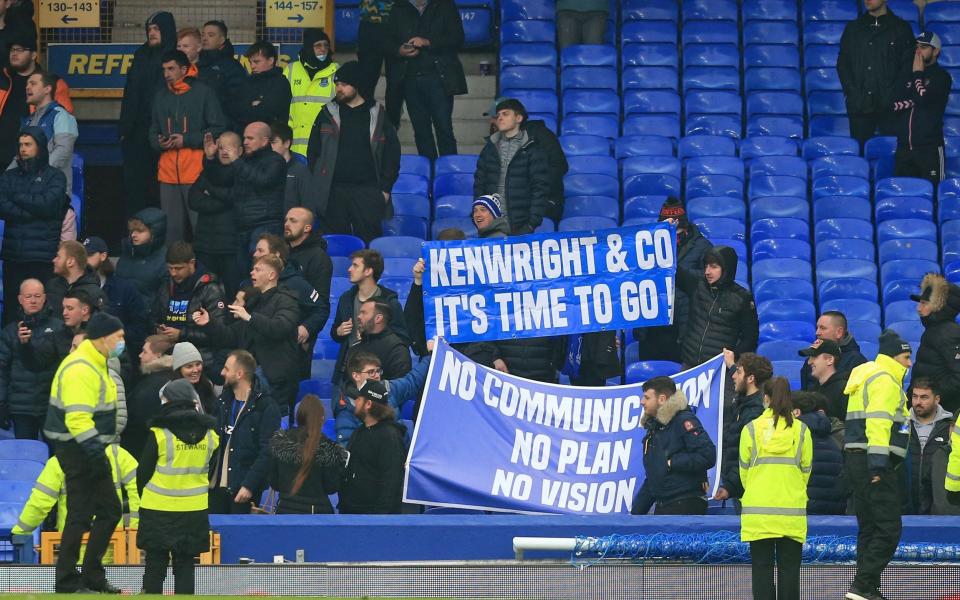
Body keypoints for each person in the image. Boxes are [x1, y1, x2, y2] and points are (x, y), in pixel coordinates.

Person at [42, 312, 125, 593]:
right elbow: (78, 419)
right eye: (118, 337)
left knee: (105, 511)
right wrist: (96, 454)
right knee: (82, 513)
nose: (122, 342)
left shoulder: (95, 362)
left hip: (84, 446)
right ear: (103, 338)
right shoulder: (82, 368)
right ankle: (69, 580)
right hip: (78, 447)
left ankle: (88, 576)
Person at [843, 329, 912, 600]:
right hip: (875, 463)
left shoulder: (866, 376)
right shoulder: (885, 380)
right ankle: (862, 586)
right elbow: (879, 423)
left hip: (857, 459)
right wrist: (879, 465)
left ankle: (868, 589)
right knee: (889, 529)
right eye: (906, 357)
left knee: (870, 528)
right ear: (894, 356)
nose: (909, 363)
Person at [137, 378, 218, 595]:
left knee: (155, 564)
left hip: (157, 509)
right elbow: (211, 470)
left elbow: (143, 473)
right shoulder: (211, 435)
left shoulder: (159, 434)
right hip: (194, 510)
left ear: (169, 401)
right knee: (185, 564)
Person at [305, 61, 401, 244]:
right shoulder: (327, 112)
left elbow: (392, 155)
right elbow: (313, 152)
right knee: (334, 245)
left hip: (368, 192)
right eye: (337, 84)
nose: (338, 89)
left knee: (368, 246)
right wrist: (319, 183)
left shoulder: (378, 114)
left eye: (343, 84)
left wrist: (385, 190)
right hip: (332, 192)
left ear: (357, 85)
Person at [196, 255, 301, 415]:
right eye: (253, 269)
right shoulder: (256, 302)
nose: (252, 273)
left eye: (258, 270)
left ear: (272, 275)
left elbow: (280, 327)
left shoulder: (287, 300)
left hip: (273, 379)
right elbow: (231, 336)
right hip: (250, 376)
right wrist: (209, 323)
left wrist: (251, 317)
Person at [740, 377, 812, 600]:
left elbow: (744, 473)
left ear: (766, 398)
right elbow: (805, 472)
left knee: (761, 572)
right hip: (791, 515)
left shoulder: (750, 429)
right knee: (789, 573)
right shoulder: (801, 431)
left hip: (758, 516)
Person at [149, 49, 226, 243]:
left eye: (171, 68)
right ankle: (173, 271)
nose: (166, 73)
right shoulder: (160, 96)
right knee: (171, 232)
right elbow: (152, 130)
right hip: (167, 172)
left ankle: (204, 271)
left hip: (195, 170)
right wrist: (158, 142)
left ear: (184, 69)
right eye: (164, 69)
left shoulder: (204, 92)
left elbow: (218, 128)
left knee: (199, 227)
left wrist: (187, 140)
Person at [12, 442, 139, 556]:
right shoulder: (117, 454)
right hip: (111, 545)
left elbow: (39, 503)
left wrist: (20, 532)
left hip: (73, 545)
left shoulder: (59, 460)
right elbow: (139, 489)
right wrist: (134, 529)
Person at [202, 121, 286, 280]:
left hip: (265, 225)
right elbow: (220, 179)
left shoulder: (275, 161)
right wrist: (210, 158)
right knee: (243, 275)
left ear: (264, 140)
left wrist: (237, 161)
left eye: (250, 138)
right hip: (242, 226)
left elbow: (262, 180)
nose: (245, 142)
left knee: (261, 272)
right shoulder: (244, 161)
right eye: (244, 138)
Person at [0, 126, 68, 323]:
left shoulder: (56, 177)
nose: (23, 149)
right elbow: (2, 205)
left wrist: (17, 198)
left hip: (43, 258)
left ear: (40, 147)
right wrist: (34, 210)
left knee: (45, 313)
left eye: (28, 144)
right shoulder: (8, 176)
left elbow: (49, 205)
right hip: (14, 257)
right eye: (20, 145)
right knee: (13, 313)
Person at [635, 198, 713, 363]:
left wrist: (675, 271)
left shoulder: (702, 246)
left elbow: (706, 279)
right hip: (652, 326)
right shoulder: (647, 245)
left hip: (684, 327)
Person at [388, 0, 466, 160]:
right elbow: (386, 41)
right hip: (409, 78)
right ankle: (428, 173)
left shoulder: (445, 5)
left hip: (439, 78)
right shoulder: (398, 8)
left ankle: (448, 172)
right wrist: (399, 50)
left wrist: (427, 42)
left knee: (444, 128)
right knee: (421, 131)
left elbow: (457, 38)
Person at [631, 376, 716, 515]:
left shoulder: (683, 420)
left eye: (646, 398)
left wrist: (671, 462)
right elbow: (654, 476)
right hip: (665, 505)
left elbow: (708, 455)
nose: (642, 402)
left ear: (662, 399)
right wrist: (634, 515)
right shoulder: (655, 429)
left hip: (685, 504)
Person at [119, 11, 176, 217]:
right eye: (149, 29)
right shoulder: (140, 55)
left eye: (156, 29)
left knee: (158, 190)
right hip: (136, 134)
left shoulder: (174, 57)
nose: (152, 33)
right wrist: (124, 130)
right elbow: (130, 93)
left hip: (162, 134)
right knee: (135, 189)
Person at [209, 350, 281, 514]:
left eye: (227, 369)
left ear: (239, 373)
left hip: (243, 491)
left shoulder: (266, 407)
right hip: (215, 488)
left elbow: (268, 451)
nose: (222, 372)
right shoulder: (222, 402)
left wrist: (249, 485)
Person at [837, 0, 915, 148]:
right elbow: (843, 65)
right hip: (860, 106)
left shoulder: (901, 29)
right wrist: (854, 95)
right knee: (860, 154)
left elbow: (907, 68)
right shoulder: (853, 29)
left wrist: (893, 97)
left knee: (892, 155)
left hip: (892, 108)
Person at [330, 249, 409, 386]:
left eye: (355, 265)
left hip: (377, 373)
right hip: (348, 371)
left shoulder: (389, 302)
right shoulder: (346, 299)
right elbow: (335, 333)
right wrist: (338, 331)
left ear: (368, 271)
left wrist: (372, 340)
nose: (349, 269)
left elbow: (402, 338)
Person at [473, 98, 550, 235]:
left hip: (520, 226)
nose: (500, 118)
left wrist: (531, 224)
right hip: (491, 225)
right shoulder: (489, 148)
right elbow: (479, 183)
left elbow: (540, 188)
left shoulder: (533, 149)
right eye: (498, 115)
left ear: (519, 118)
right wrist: (480, 213)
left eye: (505, 114)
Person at [677, 246, 758, 369]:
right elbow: (673, 270)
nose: (707, 272)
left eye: (714, 267)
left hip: (720, 369)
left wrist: (733, 356)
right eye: (706, 266)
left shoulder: (742, 298)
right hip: (690, 366)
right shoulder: (697, 285)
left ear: (726, 269)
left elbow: (750, 338)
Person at [0, 279, 62, 440]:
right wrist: (1, 404)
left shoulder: (58, 328)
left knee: (55, 458)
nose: (33, 300)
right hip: (21, 408)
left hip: (51, 405)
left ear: (44, 298)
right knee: (26, 455)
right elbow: (2, 371)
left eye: (37, 296)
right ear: (20, 299)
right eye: (28, 296)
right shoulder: (9, 332)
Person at [154, 241, 227, 374]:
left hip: (201, 362)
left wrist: (181, 334)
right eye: (170, 268)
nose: (173, 273)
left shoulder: (210, 289)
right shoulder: (166, 286)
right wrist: (158, 328)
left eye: (178, 268)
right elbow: (153, 317)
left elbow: (219, 334)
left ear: (191, 263)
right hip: (169, 357)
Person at [269, 394, 348, 513]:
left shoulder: (280, 443)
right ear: (322, 418)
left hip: (285, 511)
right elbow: (331, 487)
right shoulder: (329, 448)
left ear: (299, 416)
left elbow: (274, 483)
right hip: (317, 514)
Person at [891, 32, 952, 185]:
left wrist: (918, 74)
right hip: (904, 149)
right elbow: (893, 105)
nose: (918, 51)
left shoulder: (942, 77)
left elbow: (923, 99)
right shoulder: (906, 75)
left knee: (933, 197)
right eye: (916, 47)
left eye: (923, 47)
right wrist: (916, 99)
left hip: (929, 150)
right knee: (902, 197)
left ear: (936, 51)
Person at [334, 349, 429, 446]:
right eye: (371, 372)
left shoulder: (388, 389)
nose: (377, 376)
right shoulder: (347, 408)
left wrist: (431, 355)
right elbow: (347, 449)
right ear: (356, 376)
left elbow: (412, 381)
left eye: (378, 371)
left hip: (400, 454)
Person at [338, 379, 406, 514]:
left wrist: (379, 520)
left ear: (368, 404)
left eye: (358, 399)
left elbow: (391, 482)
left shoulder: (390, 437)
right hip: (352, 514)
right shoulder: (359, 431)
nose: (355, 402)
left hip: (374, 521)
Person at [714, 351, 772, 505]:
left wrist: (730, 487)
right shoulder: (744, 403)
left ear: (751, 378)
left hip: (746, 490)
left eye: (738, 372)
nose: (733, 376)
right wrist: (731, 365)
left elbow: (745, 455)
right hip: (740, 487)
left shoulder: (754, 413)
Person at [187, 130, 240, 292]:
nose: (224, 152)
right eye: (221, 148)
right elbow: (193, 200)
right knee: (204, 294)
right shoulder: (208, 171)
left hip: (231, 247)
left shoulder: (243, 173)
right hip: (204, 245)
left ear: (240, 151)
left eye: (229, 148)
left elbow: (236, 198)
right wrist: (223, 201)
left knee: (233, 294)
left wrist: (210, 190)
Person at [84, 236, 148, 363]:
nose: (84, 261)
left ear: (103, 256)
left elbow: (140, 326)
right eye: (82, 256)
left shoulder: (124, 288)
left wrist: (115, 336)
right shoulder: (77, 289)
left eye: (89, 255)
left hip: (119, 356)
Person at [16, 72, 77, 196]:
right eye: (27, 84)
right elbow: (18, 157)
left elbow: (63, 151)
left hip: (53, 194)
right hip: (29, 192)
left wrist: (36, 175)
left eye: (33, 83)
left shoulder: (62, 116)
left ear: (47, 89)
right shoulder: (28, 120)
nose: (27, 87)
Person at [911, 273, 960, 414]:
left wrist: (931, 398)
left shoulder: (948, 333)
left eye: (924, 303)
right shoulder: (934, 331)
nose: (918, 308)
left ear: (939, 306)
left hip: (942, 413)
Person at [792, 391, 846, 515]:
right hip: (835, 513)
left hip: (803, 511)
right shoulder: (832, 441)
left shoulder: (795, 441)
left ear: (796, 412)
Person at [286, 28, 338, 156]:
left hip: (323, 147)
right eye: (318, 45)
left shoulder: (336, 71)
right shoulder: (291, 70)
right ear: (309, 47)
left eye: (326, 45)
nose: (323, 49)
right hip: (292, 147)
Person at [906, 377, 954, 515]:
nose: (918, 402)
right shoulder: (901, 425)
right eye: (915, 397)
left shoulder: (949, 427)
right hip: (906, 502)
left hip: (938, 503)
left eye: (924, 397)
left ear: (936, 399)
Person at [339, 299, 411, 386]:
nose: (358, 316)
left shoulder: (397, 350)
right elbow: (347, 383)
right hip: (352, 399)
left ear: (378, 318)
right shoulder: (355, 348)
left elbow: (400, 387)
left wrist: (372, 395)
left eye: (364, 313)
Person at [124, 335, 173, 458]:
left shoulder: (151, 385)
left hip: (141, 448)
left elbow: (137, 418)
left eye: (145, 352)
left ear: (158, 356)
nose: (140, 355)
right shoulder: (169, 377)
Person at [115, 208, 168, 323]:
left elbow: (165, 299)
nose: (133, 235)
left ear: (154, 232)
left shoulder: (165, 260)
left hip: (148, 322)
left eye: (140, 231)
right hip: (120, 318)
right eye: (132, 231)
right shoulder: (126, 254)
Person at [358, 0, 401, 127]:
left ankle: (392, 127)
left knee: (396, 82)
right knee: (366, 79)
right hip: (370, 23)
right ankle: (364, 123)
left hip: (398, 23)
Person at [196, 20, 246, 131]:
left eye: (211, 35)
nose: (204, 38)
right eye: (203, 35)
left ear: (222, 40)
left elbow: (238, 102)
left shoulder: (232, 67)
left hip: (223, 129)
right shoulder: (195, 64)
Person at [800, 311, 867, 391]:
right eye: (817, 328)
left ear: (839, 332)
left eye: (823, 328)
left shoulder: (856, 361)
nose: (817, 333)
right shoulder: (811, 357)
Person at [234, 41, 291, 131]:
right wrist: (255, 106)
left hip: (272, 138)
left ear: (271, 61)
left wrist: (251, 107)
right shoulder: (247, 82)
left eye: (256, 62)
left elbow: (268, 111)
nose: (252, 66)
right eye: (250, 62)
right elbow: (237, 110)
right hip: (248, 137)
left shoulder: (280, 82)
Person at [284, 206, 333, 301]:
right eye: (286, 220)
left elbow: (320, 302)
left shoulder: (319, 257)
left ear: (307, 228)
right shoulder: (280, 252)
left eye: (293, 221)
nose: (286, 224)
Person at [46, 240, 105, 317]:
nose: (54, 260)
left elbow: (100, 324)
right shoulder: (51, 286)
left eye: (58, 257)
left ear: (70, 262)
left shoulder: (94, 293)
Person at [799, 339, 850, 425]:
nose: (809, 362)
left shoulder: (844, 390)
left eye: (814, 356)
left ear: (830, 360)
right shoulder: (812, 390)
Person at [271, 123, 312, 214]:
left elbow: (308, 205)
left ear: (286, 143)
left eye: (273, 143)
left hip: (293, 224)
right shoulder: (262, 168)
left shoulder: (300, 170)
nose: (270, 147)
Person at [171, 341, 217, 415]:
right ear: (179, 370)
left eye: (198, 364)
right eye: (189, 366)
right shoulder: (169, 391)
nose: (195, 370)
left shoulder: (207, 384)